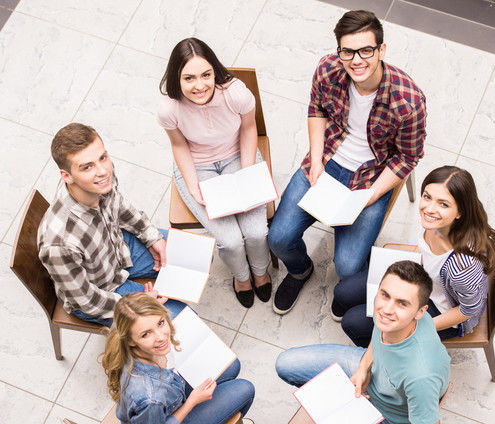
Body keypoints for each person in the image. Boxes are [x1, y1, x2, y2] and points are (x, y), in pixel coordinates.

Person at [268, 10, 426, 315]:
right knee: (278, 238)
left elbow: (408, 156)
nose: (356, 60)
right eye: (347, 51)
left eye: (366, 50)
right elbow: (317, 108)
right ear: (338, 50)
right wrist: (315, 161)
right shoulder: (328, 68)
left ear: (382, 50)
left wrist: (372, 195)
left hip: (372, 176)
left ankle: (351, 283)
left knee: (348, 265)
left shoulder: (408, 101)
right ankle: (301, 270)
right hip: (327, 159)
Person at [158, 37, 271, 309]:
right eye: (189, 78)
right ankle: (241, 277)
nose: (200, 85)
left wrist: (246, 173)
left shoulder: (235, 93)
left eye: (206, 75)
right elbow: (179, 145)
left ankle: (260, 271)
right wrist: (194, 185)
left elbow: (247, 129)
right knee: (229, 240)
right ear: (177, 78)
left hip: (237, 154)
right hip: (198, 165)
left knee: (256, 231)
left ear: (214, 71)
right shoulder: (168, 109)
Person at [336, 165, 495, 347]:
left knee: (353, 322)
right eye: (427, 196)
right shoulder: (438, 224)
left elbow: (468, 309)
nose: (429, 209)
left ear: (460, 212)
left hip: (440, 310)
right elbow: (423, 250)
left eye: (443, 204)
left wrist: (414, 325)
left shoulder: (462, 268)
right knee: (343, 292)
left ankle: (382, 351)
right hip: (423, 281)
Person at [38, 123, 185, 327]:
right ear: (66, 176)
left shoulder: (100, 177)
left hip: (118, 249)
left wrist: (151, 236)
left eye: (103, 157)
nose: (103, 171)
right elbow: (86, 300)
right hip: (102, 291)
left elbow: (120, 206)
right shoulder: (59, 244)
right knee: (176, 325)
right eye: (87, 166)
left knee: (193, 256)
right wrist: (137, 305)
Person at [276, 261, 450, 424]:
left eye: (402, 303)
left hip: (387, 415)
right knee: (285, 364)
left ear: (420, 312)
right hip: (371, 375)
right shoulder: (391, 317)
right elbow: (380, 340)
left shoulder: (420, 377)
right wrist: (363, 368)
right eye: (385, 295)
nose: (387, 309)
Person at [101, 292, 254, 423]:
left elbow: (131, 314)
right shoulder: (150, 399)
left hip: (172, 392)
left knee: (232, 365)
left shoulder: (122, 331)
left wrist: (145, 304)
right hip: (168, 414)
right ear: (130, 340)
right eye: (146, 334)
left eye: (160, 322)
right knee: (245, 389)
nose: (161, 337)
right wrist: (192, 401)